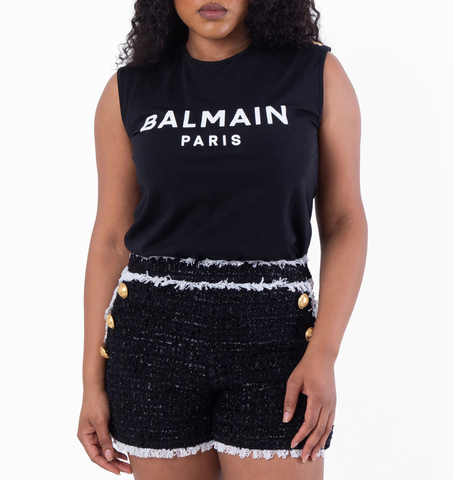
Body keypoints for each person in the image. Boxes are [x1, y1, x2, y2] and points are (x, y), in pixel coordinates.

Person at [77, 1, 368, 479]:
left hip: (275, 344)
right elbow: (110, 239)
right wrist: (92, 382)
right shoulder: (130, 88)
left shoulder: (315, 74)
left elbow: (344, 221)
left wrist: (325, 352)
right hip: (153, 343)